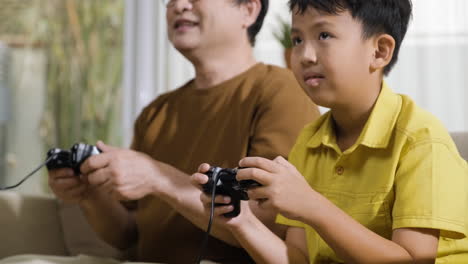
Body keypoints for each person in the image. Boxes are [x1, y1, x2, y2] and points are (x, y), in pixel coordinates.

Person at [192, 0, 468, 263]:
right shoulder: (309, 141)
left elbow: (414, 261)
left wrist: (311, 205)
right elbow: (299, 259)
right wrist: (243, 222)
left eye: (324, 35)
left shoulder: (420, 139)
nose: (305, 56)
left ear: (380, 51)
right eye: (298, 40)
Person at [48, 0, 320, 263]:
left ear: (248, 10)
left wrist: (160, 178)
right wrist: (89, 195)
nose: (179, 5)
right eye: (171, 0)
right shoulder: (157, 112)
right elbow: (127, 234)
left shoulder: (281, 91)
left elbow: (268, 223)